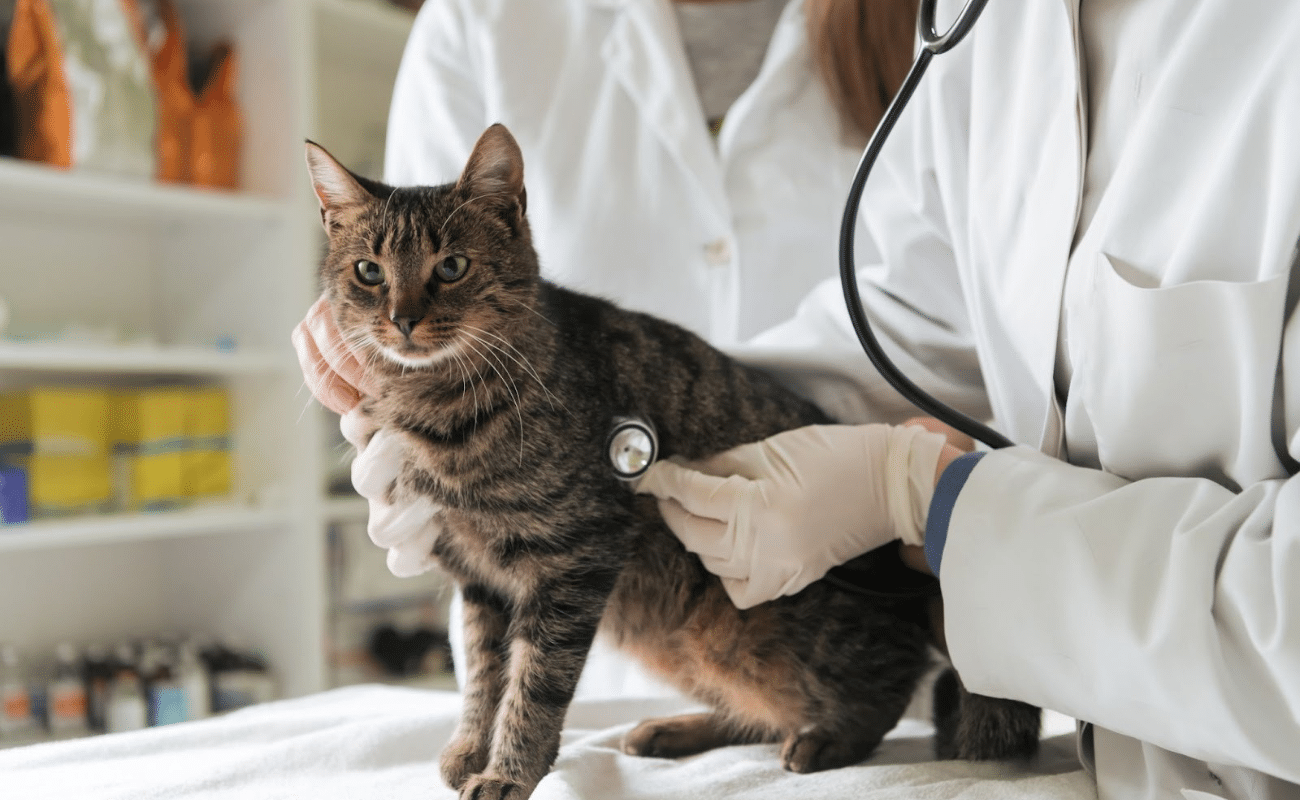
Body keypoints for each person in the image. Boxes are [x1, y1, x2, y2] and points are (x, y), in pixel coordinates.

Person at [301, 0, 1300, 798]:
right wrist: (513, 440)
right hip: (684, 654)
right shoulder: (989, 25)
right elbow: (903, 337)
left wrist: (933, 499)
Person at [299, 0, 918, 699]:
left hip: (859, 620)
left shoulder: (937, 23)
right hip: (601, 671)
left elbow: (948, 335)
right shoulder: (480, 20)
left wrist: (905, 481)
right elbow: (399, 253)